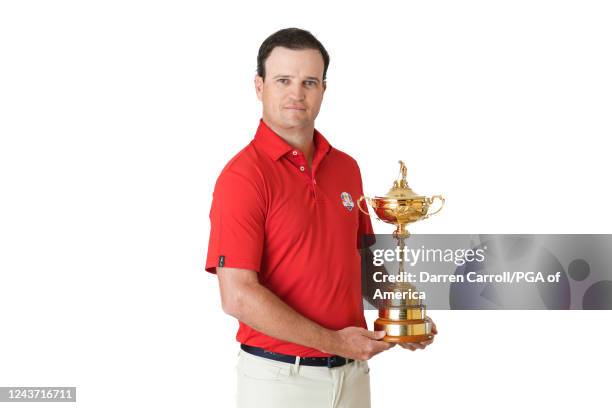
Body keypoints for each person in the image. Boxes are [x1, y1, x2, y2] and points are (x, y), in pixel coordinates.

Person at [205, 27, 436, 408]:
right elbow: (238, 296)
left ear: (324, 90)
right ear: (259, 86)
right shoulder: (243, 177)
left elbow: (363, 261)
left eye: (309, 81)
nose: (296, 94)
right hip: (280, 382)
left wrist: (401, 318)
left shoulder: (346, 168)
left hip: (352, 375)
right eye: (284, 80)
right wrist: (336, 341)